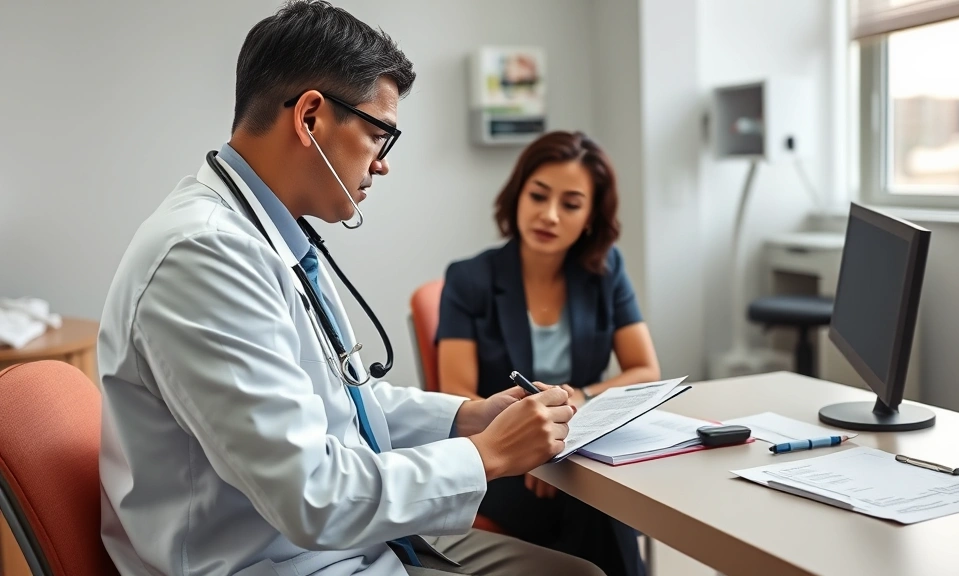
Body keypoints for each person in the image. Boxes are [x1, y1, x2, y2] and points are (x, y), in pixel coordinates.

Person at [95, 3, 605, 576]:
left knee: (575, 572)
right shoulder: (204, 256)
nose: (382, 165)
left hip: (344, 540)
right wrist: (488, 454)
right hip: (282, 562)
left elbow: (338, 401)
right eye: (378, 134)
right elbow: (312, 495)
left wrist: (468, 417)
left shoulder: (265, 236)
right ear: (310, 117)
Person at [435, 131, 661, 576]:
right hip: (501, 458)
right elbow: (457, 396)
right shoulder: (469, 279)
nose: (549, 215)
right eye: (538, 196)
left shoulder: (605, 272)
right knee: (595, 508)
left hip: (578, 448)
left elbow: (644, 369)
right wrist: (528, 442)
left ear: (591, 218)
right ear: (518, 195)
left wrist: (579, 396)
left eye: (571, 204)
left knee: (597, 499)